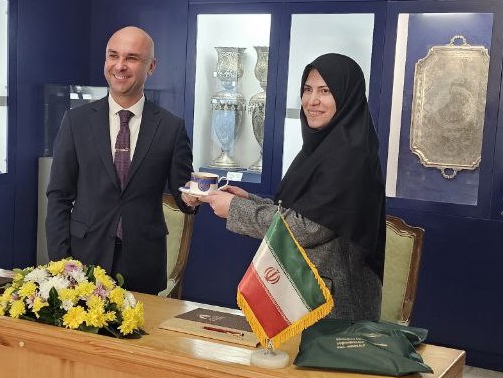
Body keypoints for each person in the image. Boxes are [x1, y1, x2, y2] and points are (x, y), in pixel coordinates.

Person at [195, 53, 386, 320]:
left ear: (347, 96)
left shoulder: (350, 155)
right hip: (307, 293)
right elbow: (300, 209)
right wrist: (248, 199)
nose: (312, 100)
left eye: (325, 91)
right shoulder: (324, 146)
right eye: (307, 89)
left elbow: (309, 228)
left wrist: (235, 209)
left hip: (333, 308)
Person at [46, 26, 196, 294]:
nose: (120, 66)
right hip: (83, 261)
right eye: (113, 56)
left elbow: (183, 193)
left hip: (143, 265)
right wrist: (60, 262)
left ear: (151, 66)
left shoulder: (171, 128)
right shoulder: (76, 122)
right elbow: (59, 196)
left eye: (132, 58)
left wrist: (194, 198)